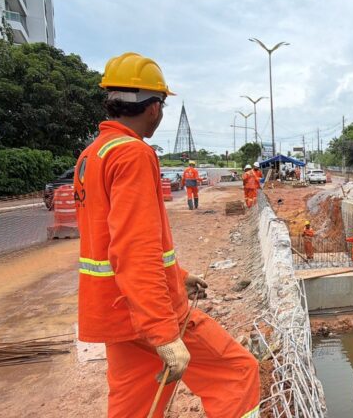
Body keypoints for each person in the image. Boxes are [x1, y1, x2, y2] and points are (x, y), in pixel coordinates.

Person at [72, 52, 259, 418]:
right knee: (237, 373)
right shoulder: (133, 154)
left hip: (115, 311)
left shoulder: (92, 155)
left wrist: (178, 275)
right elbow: (134, 249)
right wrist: (163, 332)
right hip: (146, 313)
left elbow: (112, 239)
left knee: (136, 406)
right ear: (154, 108)